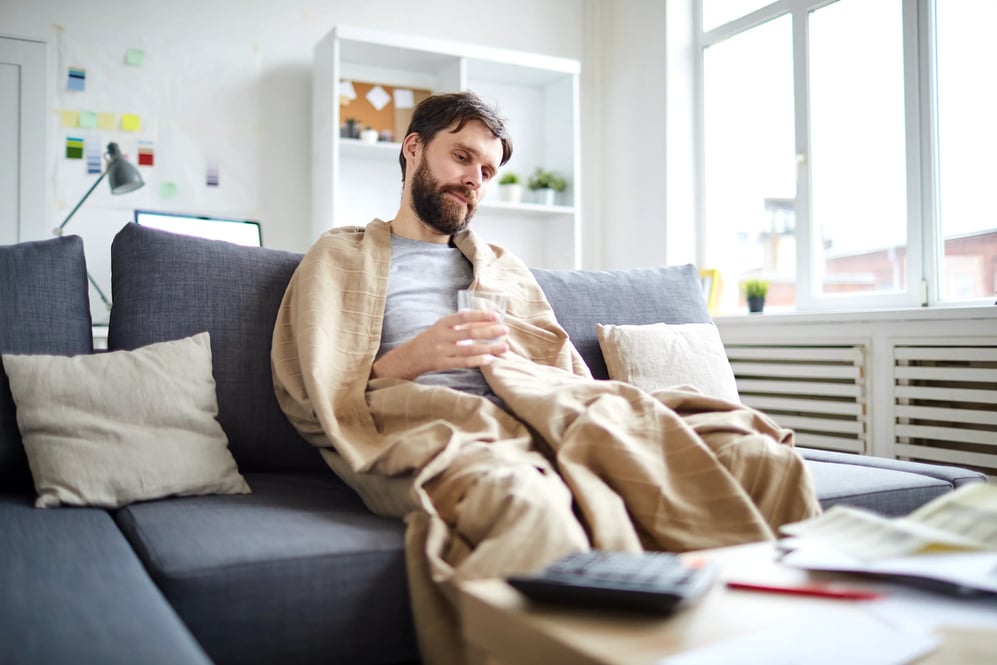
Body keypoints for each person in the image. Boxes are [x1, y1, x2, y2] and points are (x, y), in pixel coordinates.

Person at [272, 91, 821, 665]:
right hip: (437, 425)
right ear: (413, 149)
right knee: (526, 500)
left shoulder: (502, 266)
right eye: (462, 158)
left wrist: (529, 379)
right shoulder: (341, 255)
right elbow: (315, 386)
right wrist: (413, 358)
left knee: (755, 455)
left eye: (487, 171)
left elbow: (561, 368)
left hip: (534, 412)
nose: (474, 180)